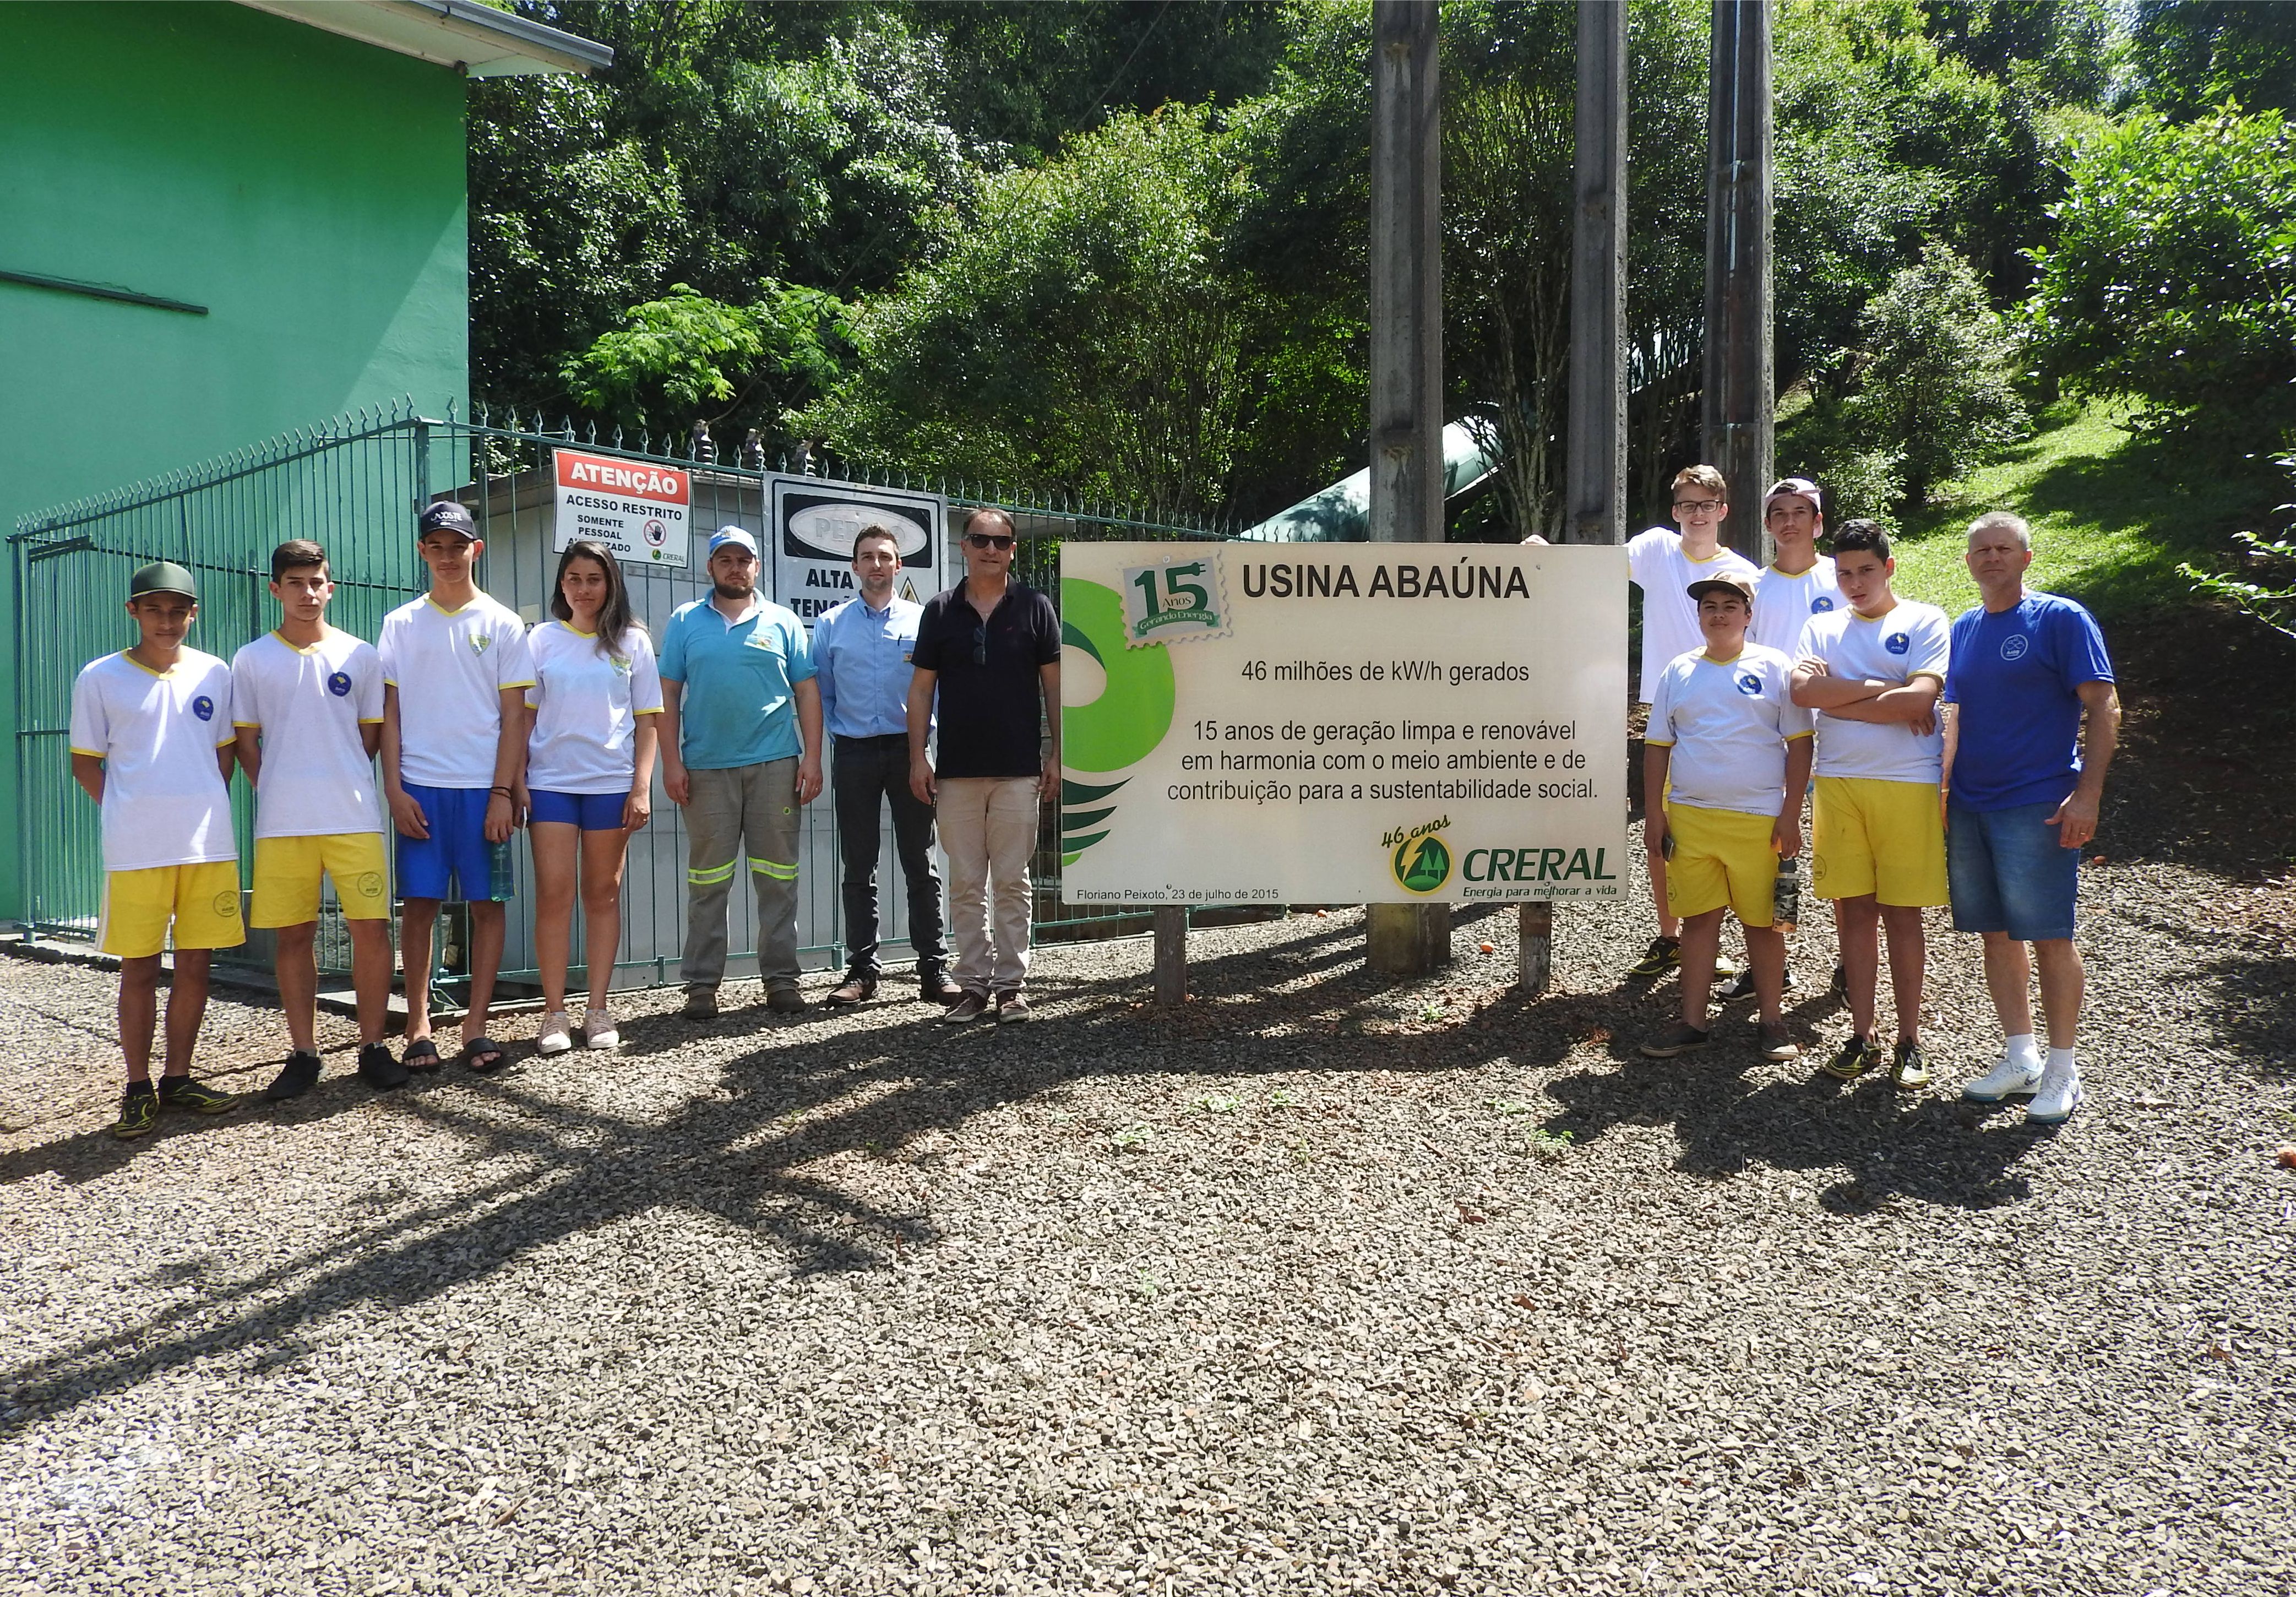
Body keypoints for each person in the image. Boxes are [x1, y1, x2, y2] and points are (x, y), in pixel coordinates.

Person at [1944, 510, 2118, 1125]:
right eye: (1982, 550)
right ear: (1969, 563)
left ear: (2026, 557)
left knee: (2050, 934)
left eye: (2003, 548)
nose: (1992, 558)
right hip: (1971, 802)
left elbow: (2103, 706)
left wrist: (2087, 794)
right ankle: (2022, 1058)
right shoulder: (1965, 627)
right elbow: (1955, 715)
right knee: (1996, 933)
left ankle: (2065, 1068)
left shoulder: (2061, 618)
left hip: (2038, 801)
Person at [68, 561, 244, 1139]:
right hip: (135, 849)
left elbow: (224, 755)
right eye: (154, 609)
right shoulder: (99, 677)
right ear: (133, 612)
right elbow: (84, 763)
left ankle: (179, 1077)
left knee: (196, 962)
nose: (166, 621)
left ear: (194, 613)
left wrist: (197, 804)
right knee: (139, 967)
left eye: (178, 610)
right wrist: (127, 808)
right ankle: (137, 1086)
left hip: (206, 845)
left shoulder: (215, 672)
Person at [230, 540, 399, 1098]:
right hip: (283, 822)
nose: (308, 592)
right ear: (275, 589)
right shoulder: (252, 658)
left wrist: (338, 775)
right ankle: (304, 1053)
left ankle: (372, 1045)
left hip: (353, 816)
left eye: (317, 581)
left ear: (332, 586)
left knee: (371, 930)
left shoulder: (361, 654)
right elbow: (248, 742)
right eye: (295, 582)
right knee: (294, 935)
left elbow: (371, 735)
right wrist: (278, 786)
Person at [1789, 521, 1951, 1089]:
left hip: (1906, 781)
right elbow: (1805, 693)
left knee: (1903, 914)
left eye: (1865, 570)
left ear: (1889, 566)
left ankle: (1910, 1039)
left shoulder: (1925, 619)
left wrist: (1844, 694)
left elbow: (1921, 698)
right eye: (1845, 573)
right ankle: (1863, 1033)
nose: (1855, 582)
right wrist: (1885, 693)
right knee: (1853, 913)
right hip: (1837, 782)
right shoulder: (1821, 625)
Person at [377, 500, 536, 1075]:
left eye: (457, 545)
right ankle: (418, 1023)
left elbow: (514, 715)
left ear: (477, 549)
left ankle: (475, 1024)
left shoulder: (501, 622)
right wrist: (394, 790)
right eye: (436, 546)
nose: (447, 556)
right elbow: (389, 712)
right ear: (422, 551)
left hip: (480, 789)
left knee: (486, 906)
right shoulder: (399, 622)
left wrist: (501, 791)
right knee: (418, 906)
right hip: (421, 786)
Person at [1637, 574, 1814, 1062]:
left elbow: (1800, 744)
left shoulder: (1775, 666)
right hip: (1692, 817)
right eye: (1710, 606)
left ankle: (1773, 1021)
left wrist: (1791, 814)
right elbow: (1657, 747)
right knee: (1698, 920)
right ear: (1699, 616)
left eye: (1730, 606)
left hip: (1758, 819)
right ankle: (1692, 1022)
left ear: (1748, 616)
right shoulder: (1679, 670)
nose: (1718, 613)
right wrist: (1655, 814)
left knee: (1765, 924)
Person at [658, 526, 823, 1019]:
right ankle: (703, 987)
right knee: (709, 882)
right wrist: (671, 762)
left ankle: (781, 981)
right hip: (706, 768)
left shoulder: (785, 622)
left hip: (776, 765)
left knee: (778, 878)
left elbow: (807, 693)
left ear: (756, 566)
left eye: (743, 560)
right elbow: (665, 695)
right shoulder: (686, 621)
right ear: (710, 567)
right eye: (725, 560)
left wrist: (812, 758)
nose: (735, 568)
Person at [907, 507, 1061, 1025]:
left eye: (1000, 541)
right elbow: (922, 688)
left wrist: (1058, 753)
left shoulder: (1036, 607)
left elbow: (1054, 686)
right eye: (980, 540)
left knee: (1013, 882)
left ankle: (1011, 986)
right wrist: (917, 757)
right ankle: (972, 985)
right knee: (967, 883)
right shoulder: (939, 610)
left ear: (1013, 549)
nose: (990, 549)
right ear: (965, 546)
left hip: (1019, 770)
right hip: (955, 773)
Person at [522, 541, 663, 1053]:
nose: (584, 589)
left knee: (602, 894)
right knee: (555, 895)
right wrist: (515, 781)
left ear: (611, 585)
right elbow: (526, 716)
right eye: (575, 579)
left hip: (611, 784)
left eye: (595, 579)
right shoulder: (540, 641)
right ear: (562, 584)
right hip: (551, 784)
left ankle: (598, 1011)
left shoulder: (633, 643)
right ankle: (555, 1014)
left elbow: (648, 720)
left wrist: (641, 786)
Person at [1724, 480, 1855, 1007]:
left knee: (1843, 852)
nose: (1790, 522)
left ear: (1818, 522)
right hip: (1773, 737)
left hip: (1844, 732)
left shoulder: (1843, 577)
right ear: (1767, 524)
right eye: (1779, 513)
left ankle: (1851, 963)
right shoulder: (1754, 586)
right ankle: (1772, 965)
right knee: (1774, 854)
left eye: (1801, 512)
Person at [814, 525, 957, 1007]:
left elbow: (938, 690)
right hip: (853, 754)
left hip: (911, 754)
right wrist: (842, 737)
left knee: (922, 863)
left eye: (885, 557)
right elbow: (824, 695)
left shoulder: (924, 622)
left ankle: (934, 970)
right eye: (867, 557)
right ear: (854, 566)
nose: (876, 564)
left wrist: (926, 750)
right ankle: (861, 973)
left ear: (900, 566)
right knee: (859, 866)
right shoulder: (831, 626)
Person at [1625, 466, 1760, 979]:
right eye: (1687, 505)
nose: (1696, 514)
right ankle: (1669, 935)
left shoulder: (1745, 572)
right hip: (1663, 708)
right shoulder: (1656, 548)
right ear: (1675, 511)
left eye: (1706, 505)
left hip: (1726, 716)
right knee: (1661, 827)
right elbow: (1596, 567)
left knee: (1721, 830)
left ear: (1723, 511)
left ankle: (1723, 943)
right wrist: (1547, 553)